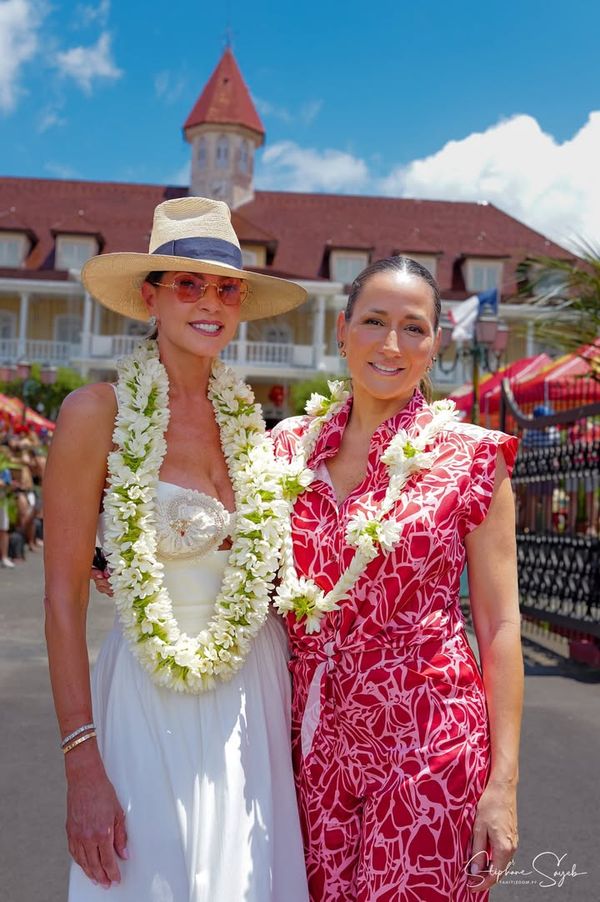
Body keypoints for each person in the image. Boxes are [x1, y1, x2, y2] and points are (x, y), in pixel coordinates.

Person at [44, 197, 310, 901]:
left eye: (226, 287)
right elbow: (64, 600)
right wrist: (81, 764)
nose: (211, 302)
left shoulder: (259, 432)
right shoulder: (95, 414)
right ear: (149, 296)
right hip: (147, 698)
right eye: (188, 283)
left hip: (256, 694)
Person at [272, 256, 523, 901]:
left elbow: (499, 623)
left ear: (436, 343)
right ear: (341, 329)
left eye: (413, 327)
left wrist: (505, 784)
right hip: (311, 747)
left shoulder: (472, 459)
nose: (390, 344)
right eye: (373, 322)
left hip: (430, 740)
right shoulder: (283, 451)